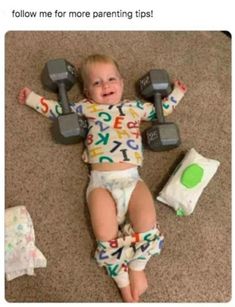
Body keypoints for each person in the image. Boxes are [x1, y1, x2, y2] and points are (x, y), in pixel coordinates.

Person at [18, 54, 187, 302]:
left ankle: (138, 266)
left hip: (132, 179)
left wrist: (177, 94)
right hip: (100, 184)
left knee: (147, 218)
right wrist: (33, 99)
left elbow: (160, 110)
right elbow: (59, 110)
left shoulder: (134, 108)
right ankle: (120, 278)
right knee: (104, 232)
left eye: (110, 79)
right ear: (86, 91)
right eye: (97, 83)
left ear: (121, 81)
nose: (105, 86)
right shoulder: (87, 108)